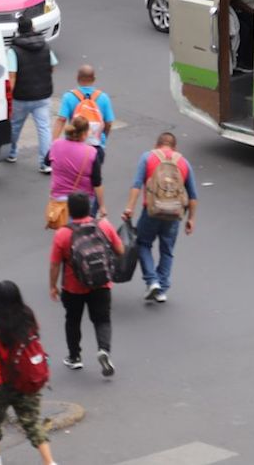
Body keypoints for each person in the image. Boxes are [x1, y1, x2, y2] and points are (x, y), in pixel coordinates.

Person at [0, 281, 57, 465]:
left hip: (0, 382)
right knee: (32, 423)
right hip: (28, 378)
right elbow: (36, 334)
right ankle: (49, 462)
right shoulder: (28, 316)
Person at [50, 193, 124, 376]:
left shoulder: (63, 234)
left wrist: (53, 285)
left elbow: (55, 263)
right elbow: (120, 250)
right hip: (101, 284)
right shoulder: (104, 226)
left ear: (70, 211)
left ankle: (75, 357)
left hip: (73, 287)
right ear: (89, 207)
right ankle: (104, 349)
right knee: (102, 319)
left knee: (73, 321)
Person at [122, 133, 199, 303]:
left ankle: (152, 281)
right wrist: (191, 219)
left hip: (150, 211)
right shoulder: (183, 163)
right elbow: (193, 196)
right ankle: (162, 289)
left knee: (143, 243)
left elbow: (136, 185)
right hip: (174, 214)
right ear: (175, 147)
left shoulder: (147, 157)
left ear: (157, 145)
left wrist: (129, 208)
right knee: (167, 250)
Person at [6, 18, 58, 174]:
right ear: (33, 27)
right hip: (43, 95)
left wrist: (9, 96)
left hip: (21, 97)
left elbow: (12, 76)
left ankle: (12, 152)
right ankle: (45, 163)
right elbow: (52, 65)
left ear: (18, 30)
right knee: (44, 128)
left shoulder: (13, 51)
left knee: (15, 127)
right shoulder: (45, 46)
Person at [52, 65, 115, 165]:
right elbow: (109, 123)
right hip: (96, 145)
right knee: (93, 177)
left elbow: (61, 120)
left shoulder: (69, 97)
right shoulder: (103, 97)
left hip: (74, 143)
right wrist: (103, 137)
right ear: (94, 79)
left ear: (77, 78)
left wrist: (54, 142)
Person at [46, 116, 105, 219]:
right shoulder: (91, 153)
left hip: (59, 199)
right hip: (82, 202)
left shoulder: (56, 145)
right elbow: (97, 183)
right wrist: (102, 206)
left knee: (63, 231)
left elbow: (46, 161)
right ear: (84, 134)